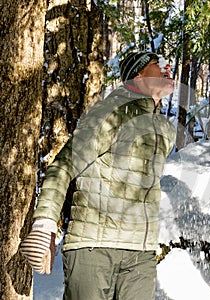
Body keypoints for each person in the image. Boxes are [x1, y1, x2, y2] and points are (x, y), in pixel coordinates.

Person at [20, 51, 176, 300]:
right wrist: (45, 223)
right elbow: (64, 164)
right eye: (156, 65)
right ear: (138, 75)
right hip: (94, 247)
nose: (167, 68)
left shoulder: (164, 129)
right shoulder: (112, 111)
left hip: (140, 253)